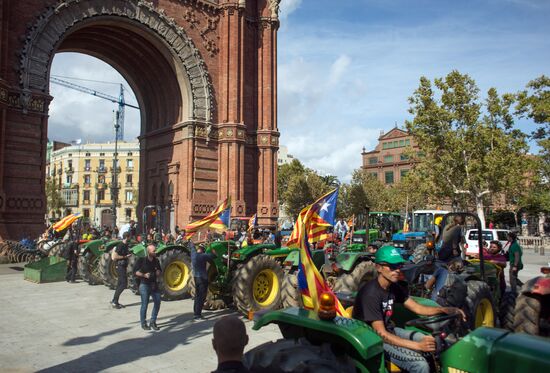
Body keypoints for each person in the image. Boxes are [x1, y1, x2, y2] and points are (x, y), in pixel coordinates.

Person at [353, 246, 465, 373]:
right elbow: (381, 334)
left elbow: (417, 308)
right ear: (379, 267)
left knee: (427, 340)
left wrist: (445, 310)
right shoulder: (370, 293)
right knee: (420, 365)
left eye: (399, 265)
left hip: (390, 330)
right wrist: (417, 346)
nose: (397, 270)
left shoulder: (393, 287)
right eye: (392, 266)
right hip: (373, 340)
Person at [135, 244, 162, 330]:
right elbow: (135, 272)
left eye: (155, 250)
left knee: (157, 302)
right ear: (149, 252)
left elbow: (159, 269)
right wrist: (144, 275)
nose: (155, 252)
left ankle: (152, 321)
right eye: (154, 251)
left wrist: (158, 271)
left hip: (154, 284)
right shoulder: (141, 260)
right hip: (144, 285)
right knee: (144, 304)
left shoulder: (156, 261)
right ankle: (143, 323)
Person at [191, 239, 216, 320]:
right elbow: (214, 255)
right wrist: (210, 245)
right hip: (202, 278)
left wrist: (196, 242)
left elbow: (191, 245)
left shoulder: (193, 254)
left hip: (195, 278)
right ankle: (198, 315)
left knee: (197, 296)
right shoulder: (204, 256)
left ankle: (195, 313)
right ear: (203, 250)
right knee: (202, 297)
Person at [111, 232, 132, 309]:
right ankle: (114, 301)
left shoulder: (126, 245)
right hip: (119, 266)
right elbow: (115, 256)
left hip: (123, 266)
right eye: (130, 236)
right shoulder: (120, 245)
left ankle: (115, 300)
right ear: (127, 237)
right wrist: (125, 256)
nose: (130, 238)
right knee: (123, 284)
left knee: (120, 284)